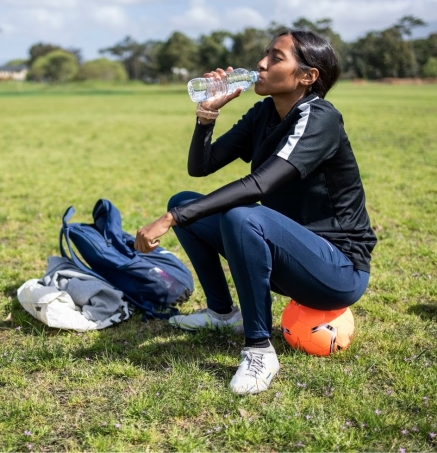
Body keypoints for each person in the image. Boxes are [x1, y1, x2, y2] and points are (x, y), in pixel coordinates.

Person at [134, 29, 377, 395]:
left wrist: (172, 220)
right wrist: (207, 115)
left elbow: (261, 185)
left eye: (276, 58)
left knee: (238, 214)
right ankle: (222, 315)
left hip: (338, 272)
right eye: (266, 54)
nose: (261, 63)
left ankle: (260, 350)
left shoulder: (319, 118)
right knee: (185, 200)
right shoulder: (265, 112)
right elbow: (201, 167)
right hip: (290, 259)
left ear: (307, 76)